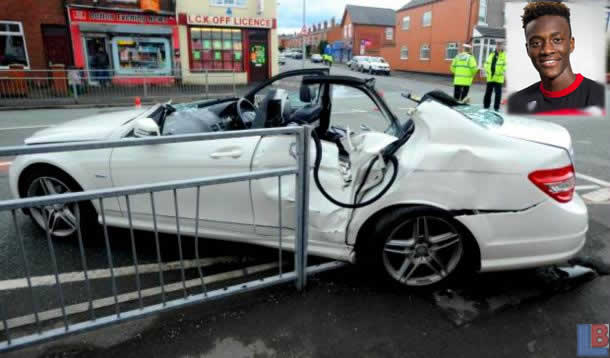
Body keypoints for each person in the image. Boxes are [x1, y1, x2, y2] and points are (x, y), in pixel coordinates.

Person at [507, 1, 605, 115]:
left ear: (571, 44)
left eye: (557, 40)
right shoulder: (516, 103)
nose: (547, 50)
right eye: (536, 43)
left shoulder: (600, 96)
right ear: (527, 49)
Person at [483, 41, 506, 111]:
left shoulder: (505, 55)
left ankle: (496, 108)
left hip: (498, 78)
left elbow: (506, 66)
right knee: (487, 93)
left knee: (498, 94)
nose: (498, 47)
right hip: (490, 77)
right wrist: (487, 71)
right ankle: (486, 106)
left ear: (503, 46)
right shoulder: (491, 54)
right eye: (497, 45)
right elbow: (486, 64)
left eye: (500, 45)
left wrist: (500, 72)